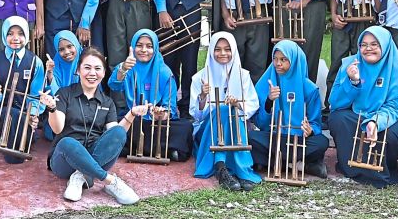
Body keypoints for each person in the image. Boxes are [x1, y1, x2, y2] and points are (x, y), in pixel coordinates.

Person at [37, 47, 140, 205]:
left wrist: (131, 114)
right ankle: (110, 181)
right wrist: (52, 108)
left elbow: (114, 137)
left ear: (104, 73)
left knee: (119, 131)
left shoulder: (107, 102)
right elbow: (57, 129)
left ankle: (80, 176)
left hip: (96, 156)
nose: (92, 73)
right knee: (67, 142)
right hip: (65, 160)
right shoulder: (65, 93)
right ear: (78, 70)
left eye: (97, 68)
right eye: (87, 67)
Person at [327, 26, 398, 188]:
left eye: (374, 44)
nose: (368, 49)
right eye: (363, 45)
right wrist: (353, 82)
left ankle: (382, 171)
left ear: (385, 46)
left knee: (391, 133)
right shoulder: (350, 65)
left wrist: (375, 122)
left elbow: (395, 107)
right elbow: (335, 103)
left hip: (387, 116)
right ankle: (350, 167)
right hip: (357, 113)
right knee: (338, 119)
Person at [190, 33, 262, 191]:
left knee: (229, 111)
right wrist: (202, 97)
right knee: (223, 110)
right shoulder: (200, 78)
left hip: (236, 128)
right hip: (208, 132)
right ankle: (231, 168)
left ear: (234, 50)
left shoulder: (243, 75)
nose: (223, 53)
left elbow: (253, 104)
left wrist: (238, 104)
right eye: (218, 49)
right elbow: (197, 116)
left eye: (227, 49)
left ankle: (228, 168)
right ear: (211, 51)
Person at [107, 29, 193, 161]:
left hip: (157, 124)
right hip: (133, 119)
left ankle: (131, 147)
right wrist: (123, 69)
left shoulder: (165, 72)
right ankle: (164, 149)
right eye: (139, 45)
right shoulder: (127, 66)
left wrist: (161, 114)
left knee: (185, 127)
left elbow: (170, 108)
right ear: (133, 47)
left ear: (156, 49)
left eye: (149, 46)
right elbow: (114, 85)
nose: (144, 50)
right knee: (113, 123)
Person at [249, 40, 330, 180]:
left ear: (295, 61)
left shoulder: (310, 89)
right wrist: (269, 101)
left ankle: (275, 162)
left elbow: (316, 123)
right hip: (275, 137)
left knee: (322, 142)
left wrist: (310, 131)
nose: (278, 64)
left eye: (283, 59)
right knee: (251, 137)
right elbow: (260, 124)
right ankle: (299, 164)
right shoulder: (266, 83)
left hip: (299, 139)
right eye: (275, 59)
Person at [0, 16, 46, 164]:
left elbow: (36, 95)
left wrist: (33, 114)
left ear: (27, 36)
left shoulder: (36, 62)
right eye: (10, 33)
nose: (15, 38)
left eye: (20, 34)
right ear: (4, 35)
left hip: (25, 113)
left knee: (22, 118)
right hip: (1, 114)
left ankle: (22, 138)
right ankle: (17, 151)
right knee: (11, 114)